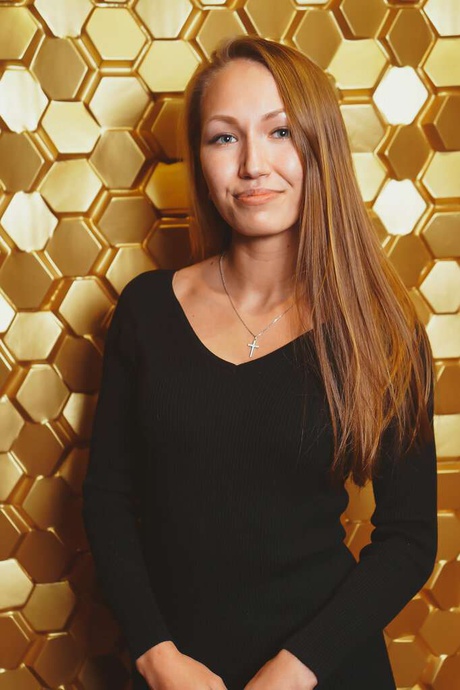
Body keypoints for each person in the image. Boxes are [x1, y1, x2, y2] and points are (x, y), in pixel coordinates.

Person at [82, 36, 438, 690]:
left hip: (326, 674)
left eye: (280, 132)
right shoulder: (146, 311)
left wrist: (294, 672)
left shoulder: (382, 330)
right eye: (225, 138)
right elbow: (107, 498)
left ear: (320, 148)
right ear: (200, 160)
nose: (253, 164)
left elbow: (410, 538)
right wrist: (157, 656)